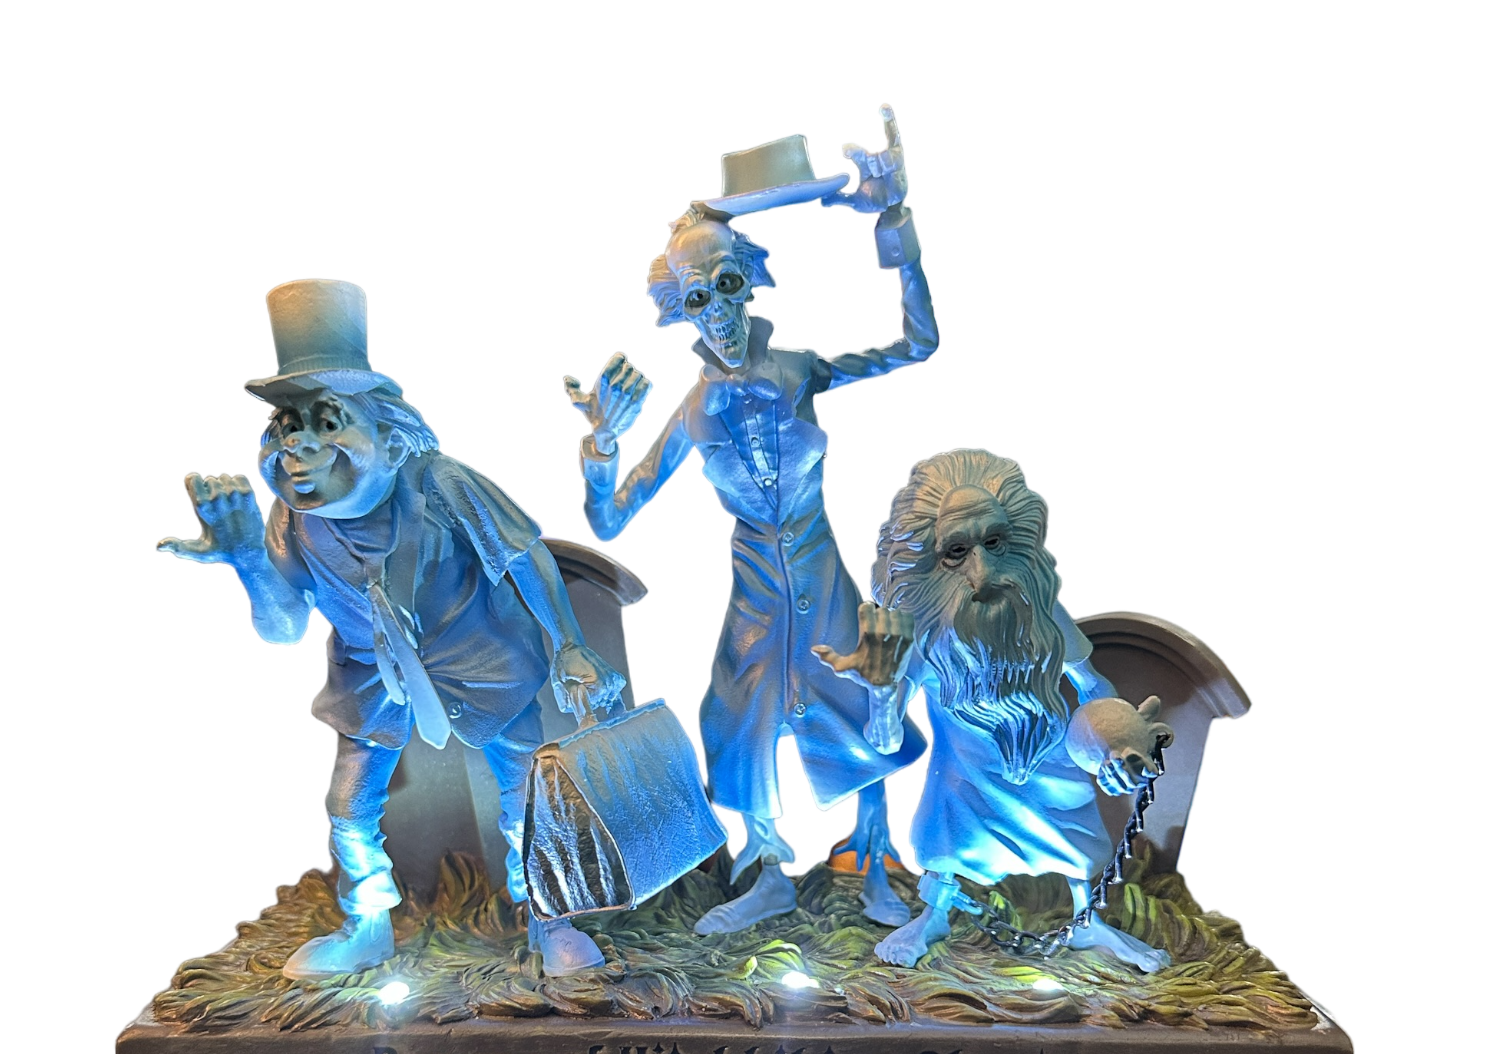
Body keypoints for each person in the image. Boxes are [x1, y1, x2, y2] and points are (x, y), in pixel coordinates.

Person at [156, 277, 624, 979]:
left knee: (526, 792)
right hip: (368, 672)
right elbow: (283, 629)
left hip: (482, 659)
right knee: (347, 806)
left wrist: (569, 644)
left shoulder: (442, 481)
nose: (297, 443)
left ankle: (550, 918)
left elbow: (524, 554)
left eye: (327, 421)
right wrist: (248, 555)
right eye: (284, 425)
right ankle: (367, 922)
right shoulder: (293, 518)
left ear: (387, 433)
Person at [564, 106, 937, 935]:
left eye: (727, 286)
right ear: (681, 311)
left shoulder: (801, 369)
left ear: (753, 282)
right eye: (699, 298)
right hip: (755, 581)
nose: (719, 313)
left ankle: (874, 852)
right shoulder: (693, 411)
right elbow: (611, 519)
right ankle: (766, 865)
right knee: (737, 712)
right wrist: (602, 447)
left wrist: (896, 224)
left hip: (820, 564)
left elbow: (917, 346)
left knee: (860, 691)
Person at [815, 447, 1173, 971]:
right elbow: (885, 742)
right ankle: (934, 915)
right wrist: (883, 691)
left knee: (1079, 845)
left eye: (995, 543)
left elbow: (1092, 686)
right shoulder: (925, 634)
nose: (982, 573)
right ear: (931, 557)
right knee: (940, 839)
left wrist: (1119, 742)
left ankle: (1086, 921)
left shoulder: (1040, 612)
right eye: (957, 551)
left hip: (1050, 761)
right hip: (964, 775)